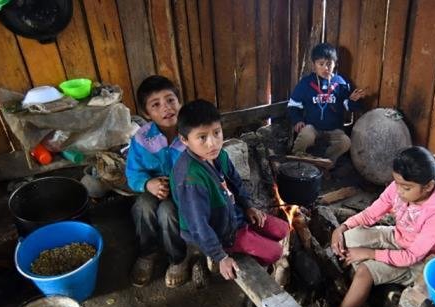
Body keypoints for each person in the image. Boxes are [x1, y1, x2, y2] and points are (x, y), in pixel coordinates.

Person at [280, 146, 435, 307]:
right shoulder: (399, 188)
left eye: (406, 188)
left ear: (428, 187)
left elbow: (411, 255)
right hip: (397, 237)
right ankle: (355, 284)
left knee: (365, 270)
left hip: (419, 260)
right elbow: (371, 213)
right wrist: (343, 227)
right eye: (396, 183)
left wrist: (368, 254)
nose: (399, 191)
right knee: (347, 239)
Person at [171, 99, 289, 281]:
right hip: (221, 232)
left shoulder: (220, 156)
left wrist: (249, 206)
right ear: (184, 140)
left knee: (283, 229)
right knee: (275, 252)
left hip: (233, 215)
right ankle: (231, 254)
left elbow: (236, 184)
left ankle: (251, 238)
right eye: (202, 137)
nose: (212, 143)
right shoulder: (191, 179)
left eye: (216, 133)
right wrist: (221, 257)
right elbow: (198, 226)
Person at [125, 75, 189, 288]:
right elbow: (133, 173)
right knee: (142, 206)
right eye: (156, 104)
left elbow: (205, 165)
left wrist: (181, 186)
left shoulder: (192, 133)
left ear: (180, 102)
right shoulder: (142, 139)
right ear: (146, 113)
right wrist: (147, 184)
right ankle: (147, 253)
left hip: (184, 193)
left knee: (167, 213)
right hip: (153, 189)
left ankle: (177, 259)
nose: (166, 108)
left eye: (171, 100)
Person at [288, 42, 365, 167]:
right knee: (306, 135)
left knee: (345, 142)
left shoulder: (340, 83)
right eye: (321, 64)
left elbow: (348, 106)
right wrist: (297, 120)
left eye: (329, 64)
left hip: (334, 129)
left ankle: (325, 163)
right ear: (314, 66)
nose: (326, 68)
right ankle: (297, 160)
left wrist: (354, 101)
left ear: (335, 64)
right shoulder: (306, 83)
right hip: (312, 127)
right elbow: (293, 105)